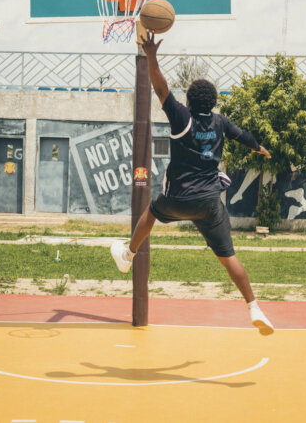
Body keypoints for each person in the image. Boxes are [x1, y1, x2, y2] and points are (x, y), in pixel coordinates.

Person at [110, 32, 276, 335]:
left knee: (151, 213)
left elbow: (161, 88)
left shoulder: (181, 117)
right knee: (229, 258)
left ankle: (128, 255)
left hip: (178, 199)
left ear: (188, 100)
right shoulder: (220, 122)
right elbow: (243, 137)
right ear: (213, 102)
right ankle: (253, 306)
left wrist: (151, 56)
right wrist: (259, 147)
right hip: (209, 203)